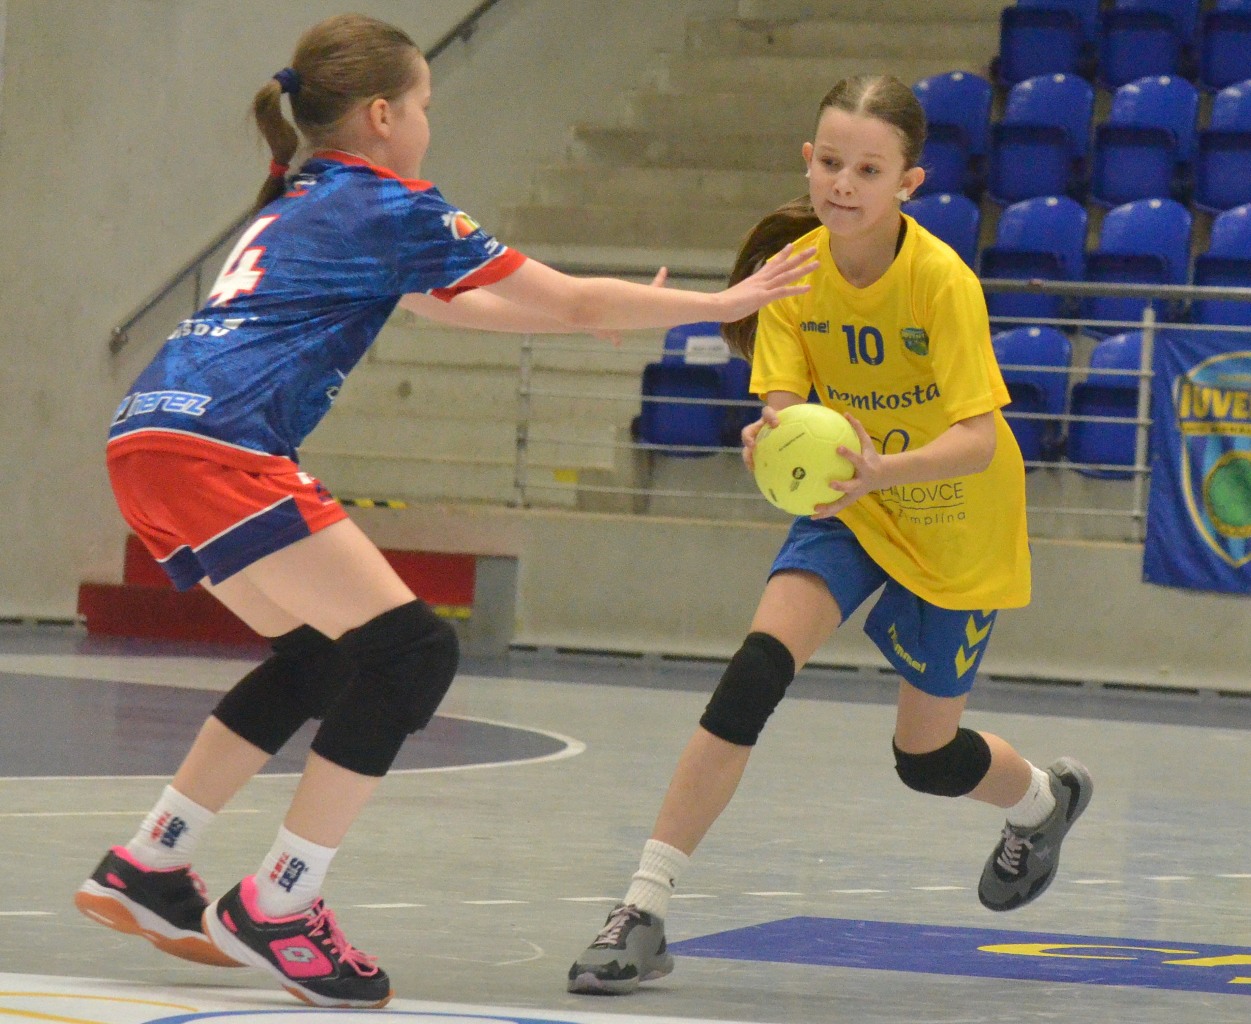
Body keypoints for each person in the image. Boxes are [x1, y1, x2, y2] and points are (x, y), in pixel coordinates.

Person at [73, 13, 818, 1010]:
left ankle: (152, 859)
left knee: (319, 656)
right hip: (224, 445)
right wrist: (722, 304)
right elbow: (567, 299)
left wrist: (592, 316)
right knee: (412, 653)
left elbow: (455, 304)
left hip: (148, 435)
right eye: (424, 104)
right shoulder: (389, 201)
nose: (430, 122)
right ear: (383, 116)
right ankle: (281, 901)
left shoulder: (301, 201)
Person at [567, 74, 1094, 996]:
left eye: (868, 170)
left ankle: (1045, 804)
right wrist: (770, 436)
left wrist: (884, 469)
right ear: (807, 161)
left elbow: (977, 439)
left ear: (909, 183)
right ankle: (641, 907)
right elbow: (783, 400)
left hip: (953, 516)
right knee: (752, 674)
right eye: (831, 162)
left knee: (925, 760)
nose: (843, 184)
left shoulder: (940, 282)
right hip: (849, 504)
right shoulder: (792, 275)